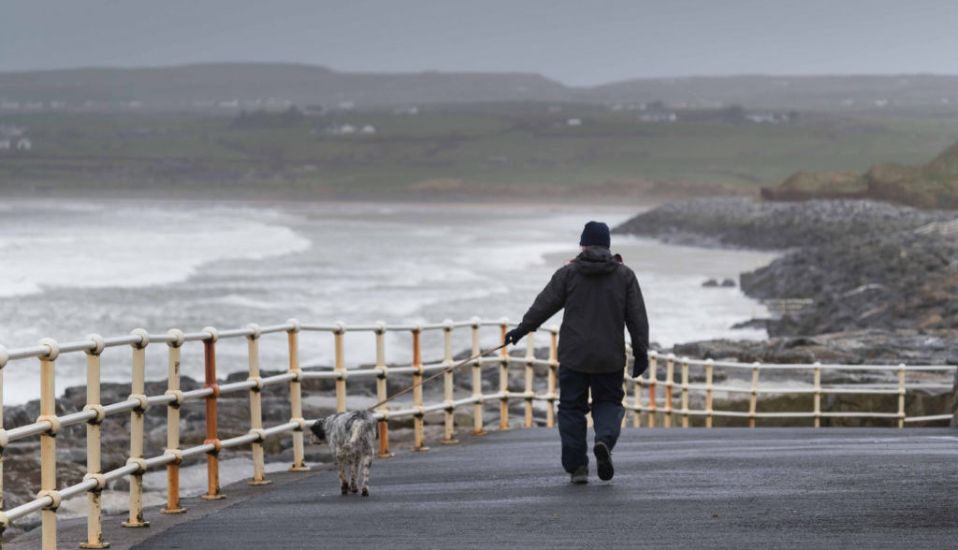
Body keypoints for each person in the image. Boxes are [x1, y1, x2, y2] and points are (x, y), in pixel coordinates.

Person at [505, 221, 649, 484]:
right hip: (610, 358)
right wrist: (642, 354)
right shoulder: (625, 275)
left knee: (571, 409)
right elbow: (637, 319)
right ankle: (603, 441)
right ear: (607, 245)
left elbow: (544, 305)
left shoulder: (568, 274)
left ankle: (577, 468)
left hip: (574, 356)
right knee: (608, 404)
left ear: (583, 244)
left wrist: (521, 330)